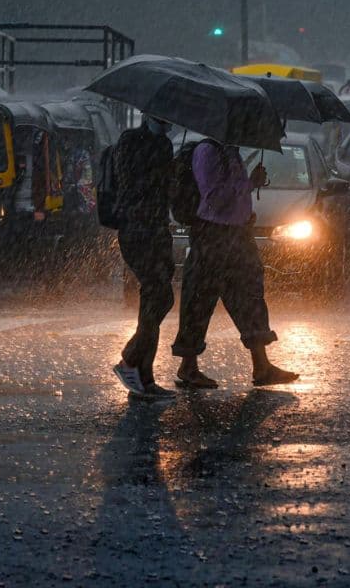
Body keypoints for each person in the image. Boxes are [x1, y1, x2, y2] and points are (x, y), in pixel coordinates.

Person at [172, 138, 298, 389]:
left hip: (238, 235)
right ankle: (188, 366)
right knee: (199, 299)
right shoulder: (207, 152)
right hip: (213, 235)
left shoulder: (232, 152)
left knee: (250, 297)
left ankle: (262, 366)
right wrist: (246, 184)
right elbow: (214, 197)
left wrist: (251, 183)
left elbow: (231, 193)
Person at [110, 117, 178, 400]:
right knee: (158, 295)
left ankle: (144, 375)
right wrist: (162, 173)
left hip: (159, 228)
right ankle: (130, 361)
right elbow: (130, 183)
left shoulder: (164, 144)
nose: (167, 123)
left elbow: (165, 192)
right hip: (137, 229)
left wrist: (173, 177)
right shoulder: (129, 140)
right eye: (163, 117)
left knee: (157, 299)